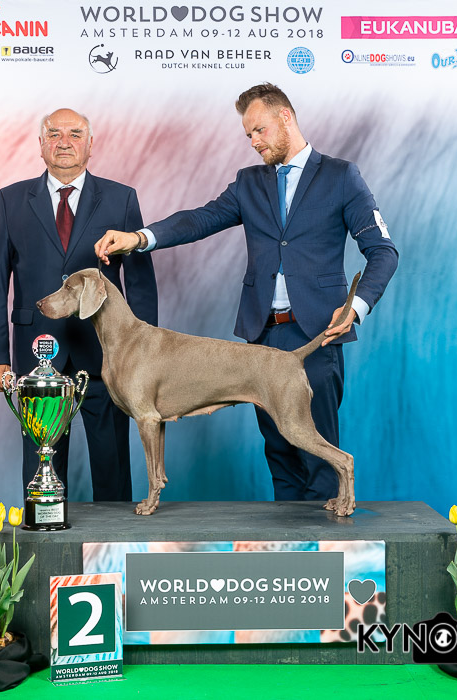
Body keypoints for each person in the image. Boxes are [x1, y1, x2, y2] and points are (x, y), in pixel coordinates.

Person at [95, 83, 398, 502]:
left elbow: (383, 252)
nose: (253, 142)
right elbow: (200, 219)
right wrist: (139, 237)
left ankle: (327, 536)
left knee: (315, 452)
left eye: (259, 130)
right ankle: (290, 539)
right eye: (248, 135)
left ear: (285, 117)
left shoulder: (341, 176)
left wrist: (356, 308)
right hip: (262, 335)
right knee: (279, 454)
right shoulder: (248, 182)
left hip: (316, 334)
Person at [0, 108, 157, 501]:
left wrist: (143, 354)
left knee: (112, 461)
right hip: (36, 354)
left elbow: (140, 283)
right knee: (41, 463)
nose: (64, 142)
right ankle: (45, 531)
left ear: (90, 145)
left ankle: (115, 533)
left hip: (109, 355)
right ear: (40, 145)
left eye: (75, 134)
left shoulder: (121, 198)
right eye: (54, 134)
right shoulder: (11, 200)